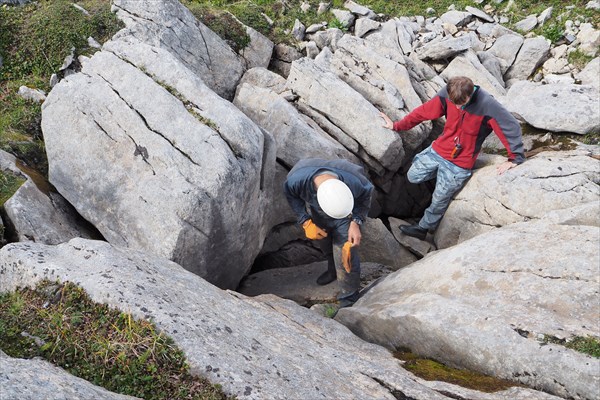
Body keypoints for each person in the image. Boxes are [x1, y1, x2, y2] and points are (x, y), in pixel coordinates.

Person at [380, 76, 525, 240]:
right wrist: (397, 125)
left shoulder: (487, 105)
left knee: (439, 198)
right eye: (454, 103)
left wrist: (515, 158)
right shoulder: (447, 94)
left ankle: (423, 228)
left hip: (459, 163)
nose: (457, 106)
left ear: (470, 95)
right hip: (439, 149)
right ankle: (442, 181)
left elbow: (510, 126)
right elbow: (423, 112)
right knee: (413, 175)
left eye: (461, 103)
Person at [283, 158, 374, 307]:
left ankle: (349, 300)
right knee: (324, 243)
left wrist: (356, 222)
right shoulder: (296, 181)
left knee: (346, 255)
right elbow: (291, 195)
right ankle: (332, 270)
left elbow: (365, 196)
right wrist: (305, 221)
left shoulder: (356, 182)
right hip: (317, 212)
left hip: (345, 215)